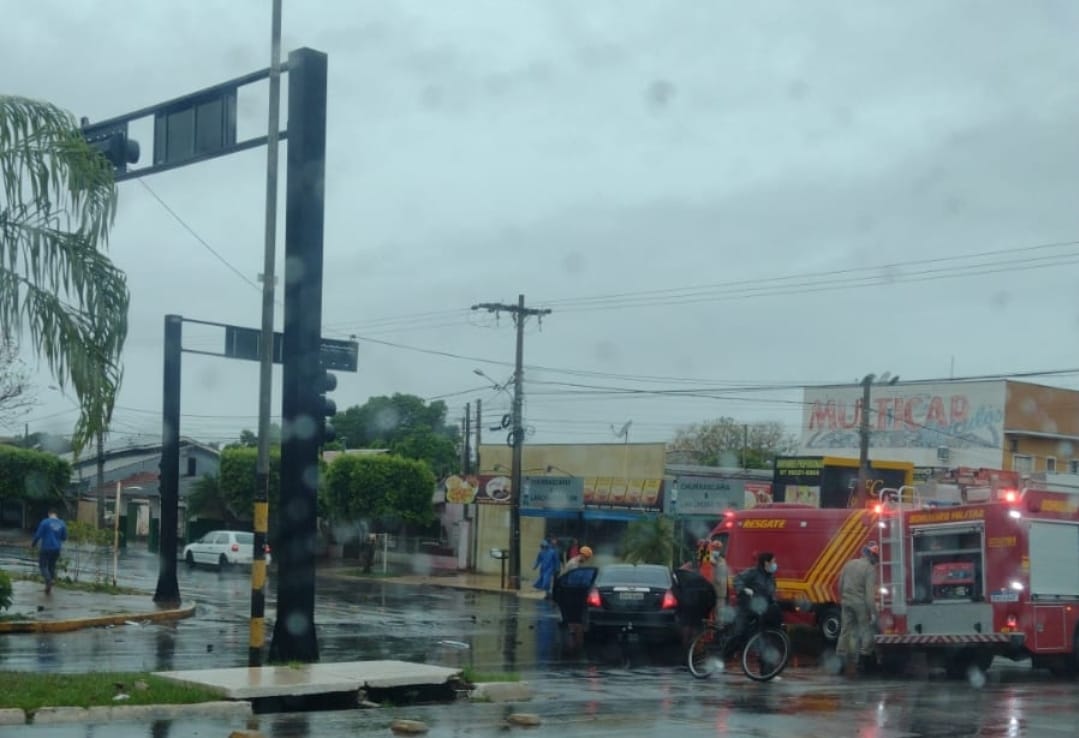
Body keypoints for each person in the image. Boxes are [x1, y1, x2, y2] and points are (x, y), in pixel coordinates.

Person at [726, 551, 784, 657]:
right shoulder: (753, 572)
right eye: (773, 561)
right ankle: (723, 653)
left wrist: (775, 603)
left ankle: (764, 666)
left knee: (762, 633)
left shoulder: (771, 578)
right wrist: (743, 589)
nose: (775, 564)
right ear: (766, 563)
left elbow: (771, 594)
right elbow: (737, 580)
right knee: (738, 632)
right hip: (746, 607)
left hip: (760, 610)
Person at [836, 541, 880, 676]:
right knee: (866, 631)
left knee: (845, 630)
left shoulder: (849, 564)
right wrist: (873, 612)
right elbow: (869, 595)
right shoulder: (870, 569)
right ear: (873, 556)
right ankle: (864, 661)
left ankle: (840, 660)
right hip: (860, 604)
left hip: (846, 601)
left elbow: (840, 585)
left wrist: (844, 598)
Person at [31, 507, 68, 594]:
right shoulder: (62, 523)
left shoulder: (45, 522)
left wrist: (33, 544)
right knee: (52, 566)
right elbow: (64, 537)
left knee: (43, 566)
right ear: (56, 514)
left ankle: (48, 580)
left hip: (46, 548)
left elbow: (38, 535)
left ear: (49, 514)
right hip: (57, 548)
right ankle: (49, 585)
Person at [709, 540, 730, 623]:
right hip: (711, 590)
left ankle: (719, 628)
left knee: (720, 613)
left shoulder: (722, 561)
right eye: (715, 548)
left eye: (718, 549)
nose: (716, 550)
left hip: (720, 592)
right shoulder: (708, 558)